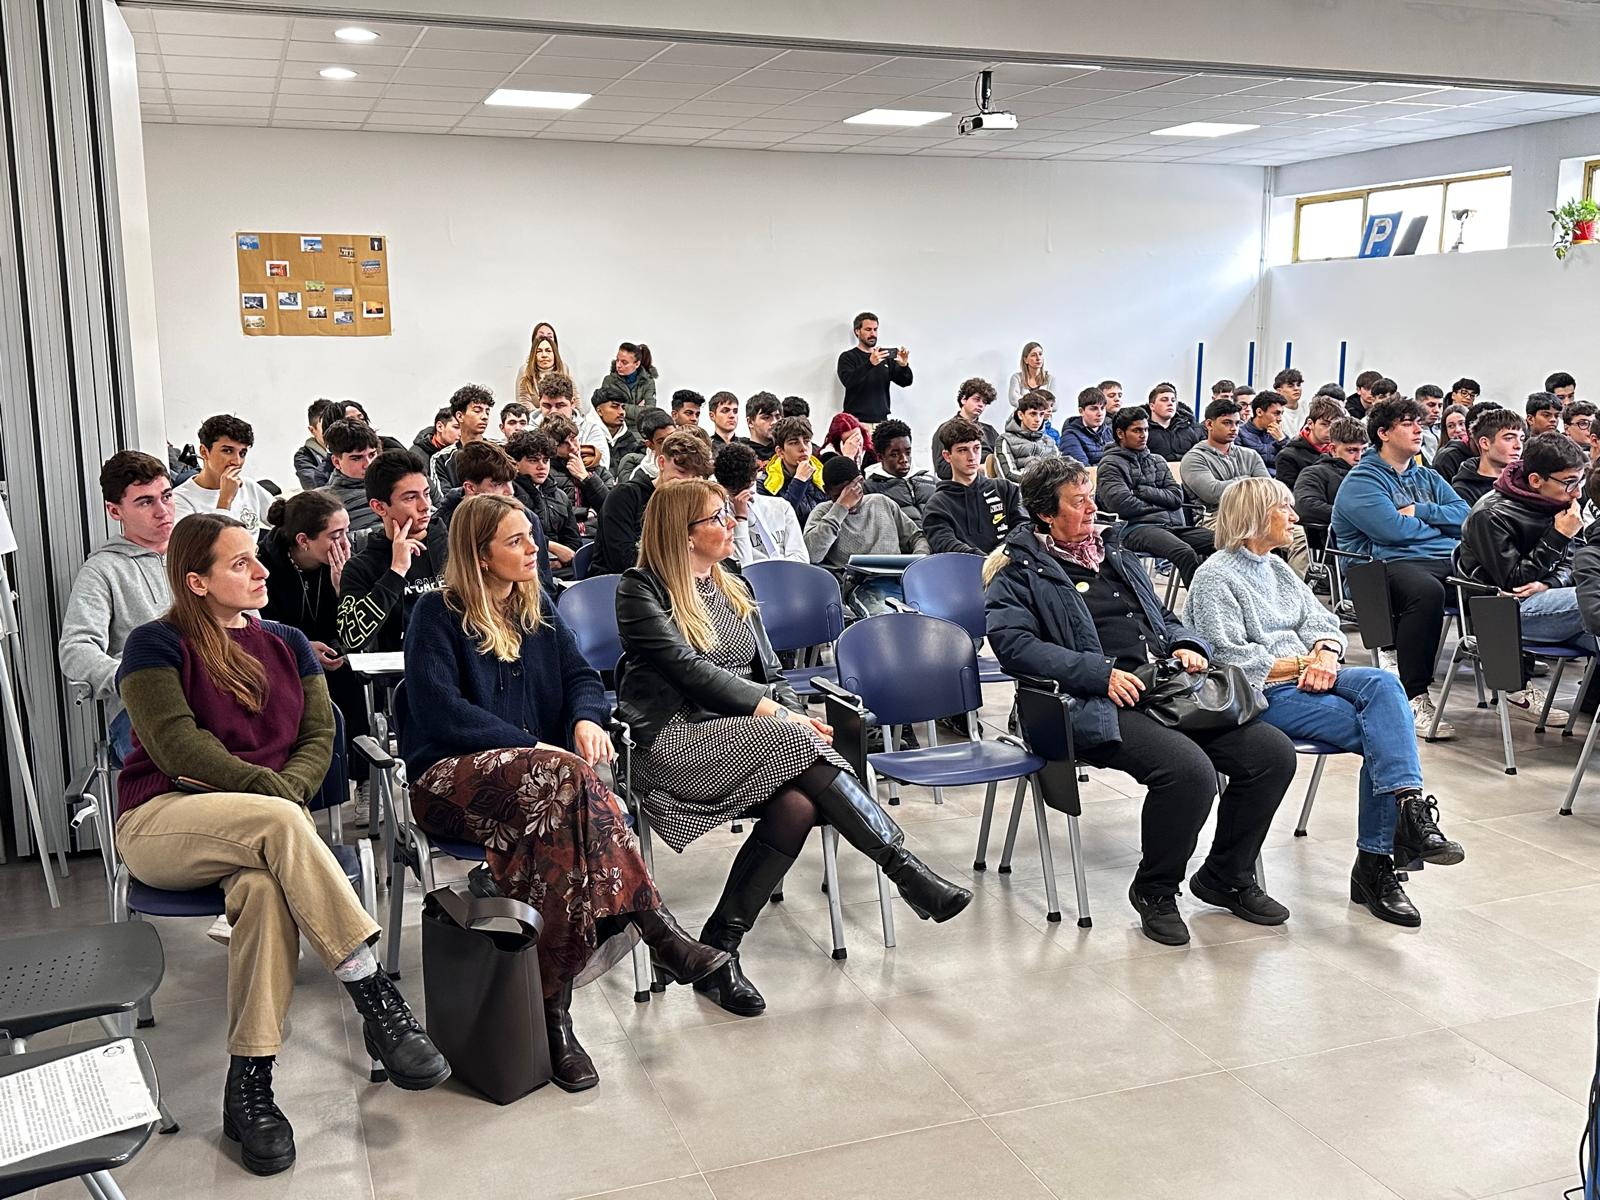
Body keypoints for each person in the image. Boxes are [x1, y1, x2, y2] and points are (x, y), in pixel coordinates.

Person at [115, 513, 449, 1175]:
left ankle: (250, 1086)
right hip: (163, 818)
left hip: (268, 828)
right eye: (239, 563)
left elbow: (319, 737)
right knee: (279, 827)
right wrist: (278, 798)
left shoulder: (290, 643)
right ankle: (372, 990)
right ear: (197, 582)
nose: (262, 570)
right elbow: (178, 748)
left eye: (255, 558)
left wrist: (282, 794)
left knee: (267, 893)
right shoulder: (155, 644)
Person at [401, 493, 726, 1089]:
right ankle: (654, 928)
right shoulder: (436, 613)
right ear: (479, 555)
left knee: (559, 839)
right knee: (569, 783)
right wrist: (534, 749)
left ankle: (553, 1017)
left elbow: (581, 677)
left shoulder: (537, 608)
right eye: (516, 541)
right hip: (449, 783)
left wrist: (584, 720)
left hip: (546, 790)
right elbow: (439, 711)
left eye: (530, 536)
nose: (533, 549)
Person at [617, 479, 970, 1014]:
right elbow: (685, 670)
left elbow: (772, 670)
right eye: (718, 518)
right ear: (683, 535)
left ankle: (718, 947)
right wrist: (780, 715)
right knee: (795, 742)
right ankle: (905, 870)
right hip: (675, 742)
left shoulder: (730, 580)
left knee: (799, 803)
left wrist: (793, 711)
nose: (731, 523)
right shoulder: (639, 589)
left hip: (757, 738)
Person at [984, 456, 1295, 945]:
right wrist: (1099, 674)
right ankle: (1155, 890)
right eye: (1078, 500)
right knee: (1188, 773)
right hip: (1082, 703)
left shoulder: (1113, 551)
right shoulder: (1018, 570)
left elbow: (1161, 618)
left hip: (1160, 689)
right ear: (1045, 512)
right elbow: (1015, 648)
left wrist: (1188, 643)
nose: (1092, 507)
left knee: (1271, 754)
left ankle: (1226, 875)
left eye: (1091, 495)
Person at [1186, 477, 1463, 926]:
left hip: (1314, 675)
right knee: (1385, 735)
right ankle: (1379, 862)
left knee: (1384, 685)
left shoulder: (1275, 568)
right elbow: (1229, 657)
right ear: (1256, 517)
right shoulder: (1214, 576)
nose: (1295, 519)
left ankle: (1405, 816)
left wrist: (1327, 653)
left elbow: (1324, 620)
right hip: (1264, 694)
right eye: (1285, 509)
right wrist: (1302, 664)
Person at [1331, 396, 1470, 736]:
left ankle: (1512, 681)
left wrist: (1421, 513)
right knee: (1426, 591)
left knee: (1491, 581)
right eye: (1407, 423)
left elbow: (1466, 517)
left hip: (1435, 560)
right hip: (1376, 570)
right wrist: (1441, 529)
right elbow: (1391, 531)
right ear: (1383, 433)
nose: (1418, 429)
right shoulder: (1362, 480)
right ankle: (1414, 695)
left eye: (1419, 422)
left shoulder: (1428, 477)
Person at [1460, 431, 1592, 723]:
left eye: (1580, 481)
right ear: (1535, 481)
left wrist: (1551, 582)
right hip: (1504, 612)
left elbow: (1576, 562)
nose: (1577, 493)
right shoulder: (1491, 513)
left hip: (1553, 600)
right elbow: (1514, 581)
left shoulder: (1558, 502)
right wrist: (1559, 535)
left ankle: (1592, 710)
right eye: (1570, 482)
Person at [257, 490, 372, 817]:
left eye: (347, 531)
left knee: (348, 675)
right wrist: (302, 649)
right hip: (281, 657)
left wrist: (342, 585)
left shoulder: (345, 563)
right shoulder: (265, 564)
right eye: (336, 535)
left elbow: (355, 629)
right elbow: (261, 625)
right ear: (304, 540)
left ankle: (362, 779)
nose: (345, 542)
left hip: (330, 652)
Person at [59, 451, 175, 765]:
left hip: (214, 694)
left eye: (166, 496)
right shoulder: (102, 570)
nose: (163, 511)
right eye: (146, 502)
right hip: (142, 711)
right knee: (192, 777)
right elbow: (75, 648)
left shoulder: (198, 553)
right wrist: (128, 676)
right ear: (114, 511)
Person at [336, 450, 448, 654]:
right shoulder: (361, 567)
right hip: (399, 680)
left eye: (426, 493)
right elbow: (351, 639)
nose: (426, 506)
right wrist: (395, 572)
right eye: (410, 498)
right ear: (379, 507)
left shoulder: (457, 546)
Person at [1096, 405, 1213, 585]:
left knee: (1223, 542)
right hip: (1134, 529)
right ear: (1120, 433)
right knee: (1185, 553)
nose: (1143, 435)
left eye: (1146, 429)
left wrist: (1144, 492)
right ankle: (1201, 608)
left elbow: (1176, 498)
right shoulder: (1110, 464)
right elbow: (1122, 505)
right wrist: (1161, 503)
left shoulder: (1157, 460)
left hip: (1170, 526)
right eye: (1136, 430)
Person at [805, 457, 929, 614]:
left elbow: (917, 537)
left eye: (851, 492)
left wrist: (917, 561)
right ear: (826, 491)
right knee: (884, 615)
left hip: (901, 579)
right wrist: (840, 507)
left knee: (931, 611)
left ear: (861, 481)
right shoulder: (823, 512)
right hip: (862, 587)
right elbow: (812, 554)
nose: (850, 501)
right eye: (838, 495)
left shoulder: (881, 502)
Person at [595, 428, 715, 575]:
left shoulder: (694, 504)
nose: (687, 482)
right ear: (662, 462)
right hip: (620, 583)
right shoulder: (625, 496)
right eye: (681, 472)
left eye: (695, 476)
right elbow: (623, 561)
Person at [924, 417, 1026, 555]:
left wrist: (999, 556)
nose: (972, 457)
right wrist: (985, 562)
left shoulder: (1006, 489)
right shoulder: (937, 505)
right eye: (962, 450)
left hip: (1011, 567)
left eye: (976, 448)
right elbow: (945, 544)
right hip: (965, 571)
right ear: (947, 456)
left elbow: (1024, 527)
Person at [173, 415, 276, 533]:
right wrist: (225, 500)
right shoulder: (181, 499)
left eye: (242, 453)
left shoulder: (248, 486)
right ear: (204, 452)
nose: (237, 461)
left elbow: (284, 520)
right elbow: (203, 548)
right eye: (227, 451)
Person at [714, 440, 807, 567]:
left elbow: (801, 559)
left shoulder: (781, 507)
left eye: (748, 488)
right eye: (735, 492)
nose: (744, 496)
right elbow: (743, 567)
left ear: (755, 477)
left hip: (786, 579)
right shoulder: (720, 520)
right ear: (723, 486)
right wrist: (740, 518)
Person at [1181, 398, 1268, 527]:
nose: (1234, 429)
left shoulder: (1250, 455)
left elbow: (1268, 488)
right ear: (1209, 424)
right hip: (1215, 518)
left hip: (1254, 514)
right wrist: (1248, 480)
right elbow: (1213, 493)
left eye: (1237, 423)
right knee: (1250, 532)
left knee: (1297, 534)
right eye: (1227, 423)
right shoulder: (1194, 458)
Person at [506, 431, 580, 574]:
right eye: (533, 460)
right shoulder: (509, 494)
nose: (542, 466)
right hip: (523, 568)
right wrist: (552, 547)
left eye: (546, 460)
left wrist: (560, 560)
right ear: (515, 464)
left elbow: (573, 540)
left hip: (562, 568)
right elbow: (514, 538)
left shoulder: (560, 496)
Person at [837, 311, 912, 424]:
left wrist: (903, 366)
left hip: (881, 422)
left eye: (875, 329)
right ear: (857, 331)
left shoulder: (885, 357)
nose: (873, 334)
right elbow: (848, 381)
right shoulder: (848, 357)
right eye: (868, 329)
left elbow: (906, 382)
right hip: (855, 422)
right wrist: (870, 364)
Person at [1293, 417, 1366, 531]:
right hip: (1337, 541)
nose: (1359, 457)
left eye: (1364, 450)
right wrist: (1361, 516)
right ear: (1333, 449)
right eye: (1352, 450)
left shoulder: (1373, 473)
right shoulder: (1314, 473)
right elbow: (1306, 506)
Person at [541, 414, 614, 527]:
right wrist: (585, 512)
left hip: (598, 533)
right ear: (551, 447)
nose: (573, 447)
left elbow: (611, 506)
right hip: (565, 535)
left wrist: (586, 477)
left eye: (573, 439)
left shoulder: (598, 469)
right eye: (563, 444)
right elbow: (550, 509)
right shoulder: (546, 472)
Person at [863, 417, 937, 526]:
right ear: (880, 457)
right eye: (894, 455)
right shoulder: (870, 490)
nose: (904, 460)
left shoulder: (930, 480)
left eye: (908, 452)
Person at [322, 419, 384, 545]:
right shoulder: (326, 502)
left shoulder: (398, 481)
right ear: (336, 462)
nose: (368, 464)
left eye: (372, 455)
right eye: (356, 458)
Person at [534, 372, 612, 470]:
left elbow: (601, 467)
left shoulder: (591, 430)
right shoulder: (528, 431)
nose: (553, 411)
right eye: (547, 406)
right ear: (539, 402)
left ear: (572, 403)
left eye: (560, 405)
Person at [427, 384, 494, 493]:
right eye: (477, 410)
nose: (485, 416)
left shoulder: (501, 450)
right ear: (460, 416)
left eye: (487, 412)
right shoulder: (442, 459)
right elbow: (444, 502)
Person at [1451, 407, 1525, 506]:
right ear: (1485, 443)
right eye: (1509, 438)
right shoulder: (1464, 490)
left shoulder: (1525, 480)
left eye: (1522, 439)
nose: (1518, 446)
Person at [760, 416, 826, 524]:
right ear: (780, 452)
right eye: (794, 443)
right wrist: (799, 480)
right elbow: (779, 522)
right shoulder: (765, 484)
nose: (803, 448)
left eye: (806, 441)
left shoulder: (823, 475)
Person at [1274, 394, 1345, 492]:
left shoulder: (1341, 451)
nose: (1330, 430)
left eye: (1335, 425)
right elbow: (1289, 496)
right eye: (1325, 424)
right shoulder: (1288, 456)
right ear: (1310, 423)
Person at [931, 379, 1000, 479]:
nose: (981, 404)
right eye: (977, 399)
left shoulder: (990, 431)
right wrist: (977, 470)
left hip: (990, 486)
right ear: (963, 399)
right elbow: (942, 470)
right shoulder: (945, 430)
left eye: (984, 402)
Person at [592, 342, 658, 434]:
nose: (618, 365)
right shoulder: (609, 380)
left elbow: (649, 412)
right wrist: (637, 409)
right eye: (617, 360)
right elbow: (606, 412)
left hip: (640, 432)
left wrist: (618, 406)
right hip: (615, 430)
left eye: (624, 362)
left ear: (637, 364)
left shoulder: (648, 382)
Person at [996, 389, 1060, 480]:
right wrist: (1041, 483)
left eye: (1041, 414)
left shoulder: (1049, 441)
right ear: (1020, 415)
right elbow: (1008, 475)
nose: (1038, 419)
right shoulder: (1005, 440)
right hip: (1019, 492)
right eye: (1033, 414)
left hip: (1048, 491)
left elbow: (1060, 472)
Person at [1434, 399, 1503, 480]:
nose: (1458, 430)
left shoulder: (1507, 455)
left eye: (1461, 423)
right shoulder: (1447, 458)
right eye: (1451, 426)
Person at [514, 322, 574, 408]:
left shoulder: (564, 368)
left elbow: (574, 398)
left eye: (549, 337)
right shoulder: (525, 371)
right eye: (541, 336)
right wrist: (541, 416)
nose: (544, 355)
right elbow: (523, 401)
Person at [1146, 382, 1203, 462]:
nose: (1170, 403)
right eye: (1164, 400)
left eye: (1173, 400)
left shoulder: (1187, 430)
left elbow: (1198, 457)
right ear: (1152, 406)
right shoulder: (1144, 431)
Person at [1057, 386, 1112, 467]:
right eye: (1094, 409)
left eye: (1102, 408)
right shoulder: (1070, 436)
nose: (1100, 413)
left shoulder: (1109, 431)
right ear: (1081, 411)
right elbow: (1083, 470)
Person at [1236, 390, 1289, 472]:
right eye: (1276, 413)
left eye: (1282, 413)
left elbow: (1293, 463)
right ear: (1259, 412)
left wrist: (1282, 441)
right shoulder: (1239, 434)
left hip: (1278, 481)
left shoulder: (1280, 435)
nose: (1280, 419)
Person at [616, 408, 673, 483]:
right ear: (650, 445)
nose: (669, 444)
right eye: (661, 441)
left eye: (672, 437)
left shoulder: (691, 461)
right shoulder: (641, 475)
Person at [294, 399, 337, 490]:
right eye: (326, 427)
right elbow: (317, 488)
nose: (334, 431)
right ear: (312, 430)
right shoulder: (304, 457)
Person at [593, 391, 640, 467]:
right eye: (615, 406)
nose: (622, 412)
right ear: (599, 411)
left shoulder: (629, 439)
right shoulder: (586, 437)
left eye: (623, 407)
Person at [1009, 342, 1057, 406]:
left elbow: (1055, 405)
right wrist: (1042, 404)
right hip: (1020, 416)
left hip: (1043, 416)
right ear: (1025, 360)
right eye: (1033, 355)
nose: (1038, 358)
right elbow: (1013, 400)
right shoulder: (1017, 378)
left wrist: (1027, 403)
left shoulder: (1050, 379)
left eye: (1040, 354)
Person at [741, 392, 780, 464]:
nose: (774, 422)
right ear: (750, 422)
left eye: (777, 417)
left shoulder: (786, 451)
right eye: (767, 417)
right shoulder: (740, 456)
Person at [1272, 367, 1305, 436]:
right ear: (1279, 391)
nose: (1296, 388)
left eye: (1298, 385)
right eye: (1290, 386)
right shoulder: (1275, 413)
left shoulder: (1306, 407)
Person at [1416, 384, 1446, 460]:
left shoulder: (1446, 426)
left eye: (1440, 406)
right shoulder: (1408, 429)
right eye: (1431, 405)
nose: (1437, 410)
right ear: (1417, 405)